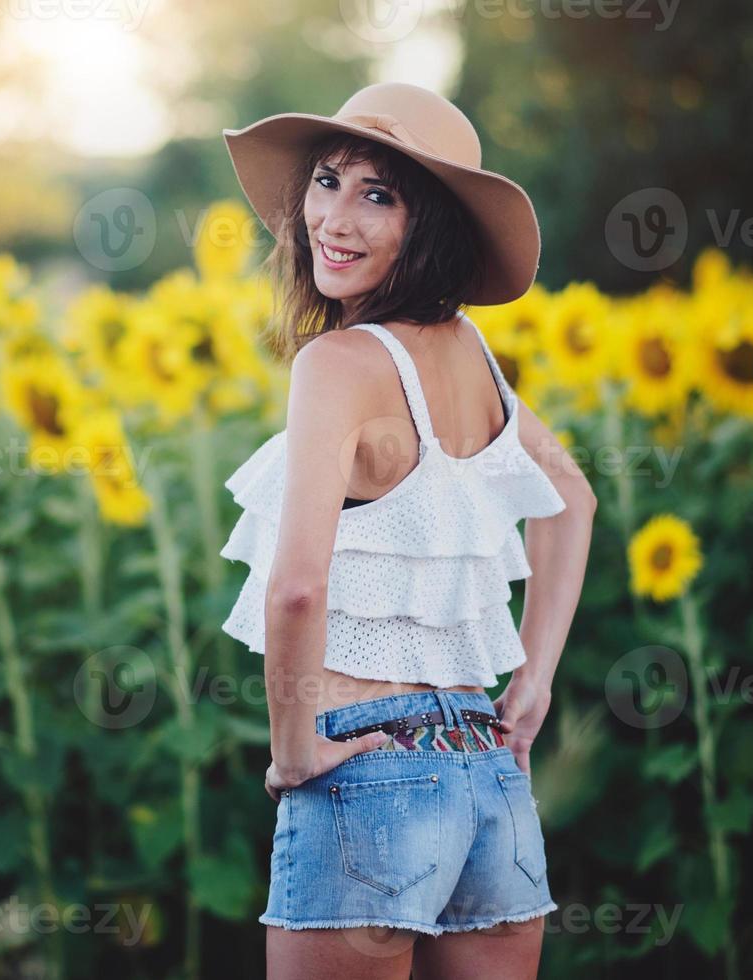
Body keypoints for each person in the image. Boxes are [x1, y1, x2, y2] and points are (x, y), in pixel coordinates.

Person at [218, 82, 598, 979]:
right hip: (489, 775)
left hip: (368, 774)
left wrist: (295, 745)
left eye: (378, 195)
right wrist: (533, 679)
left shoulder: (339, 363)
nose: (333, 218)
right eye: (327, 180)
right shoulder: (470, 352)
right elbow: (573, 500)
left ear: (427, 227)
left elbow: (299, 585)